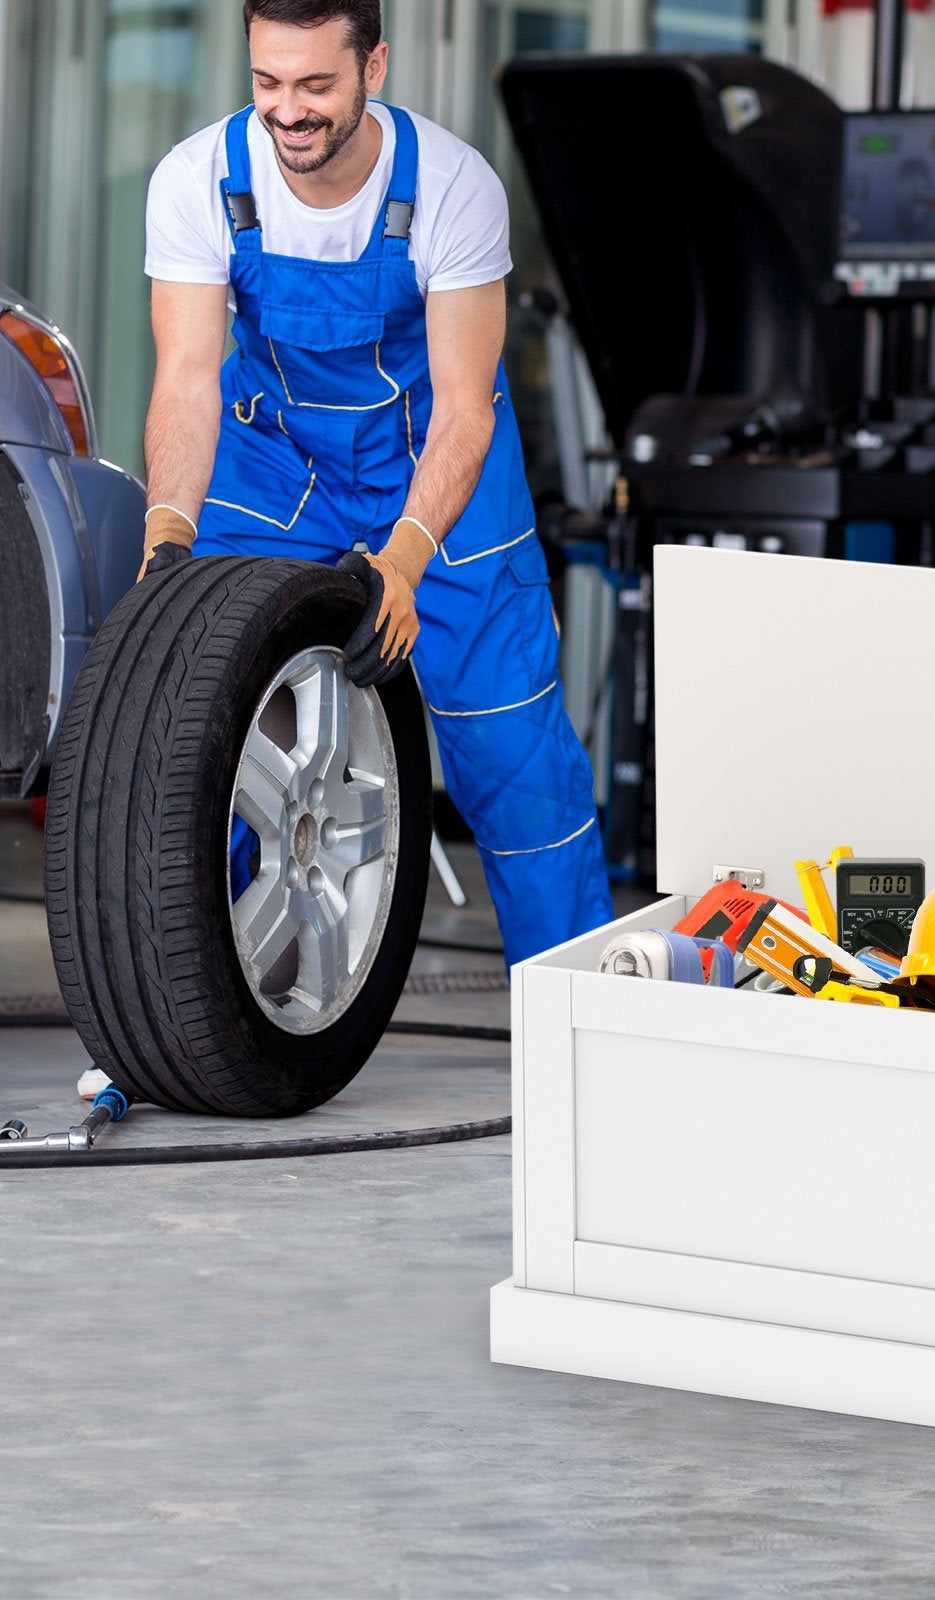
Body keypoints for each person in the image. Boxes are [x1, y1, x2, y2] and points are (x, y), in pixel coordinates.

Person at [140, 0, 612, 966]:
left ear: (375, 68)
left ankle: (582, 1022)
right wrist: (167, 534)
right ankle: (189, 1014)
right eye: (269, 82)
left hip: (439, 469)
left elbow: (466, 408)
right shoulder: (197, 179)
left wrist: (403, 558)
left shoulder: (451, 187)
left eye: (317, 85)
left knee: (515, 763)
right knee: (203, 730)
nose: (289, 111)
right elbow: (187, 378)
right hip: (275, 465)